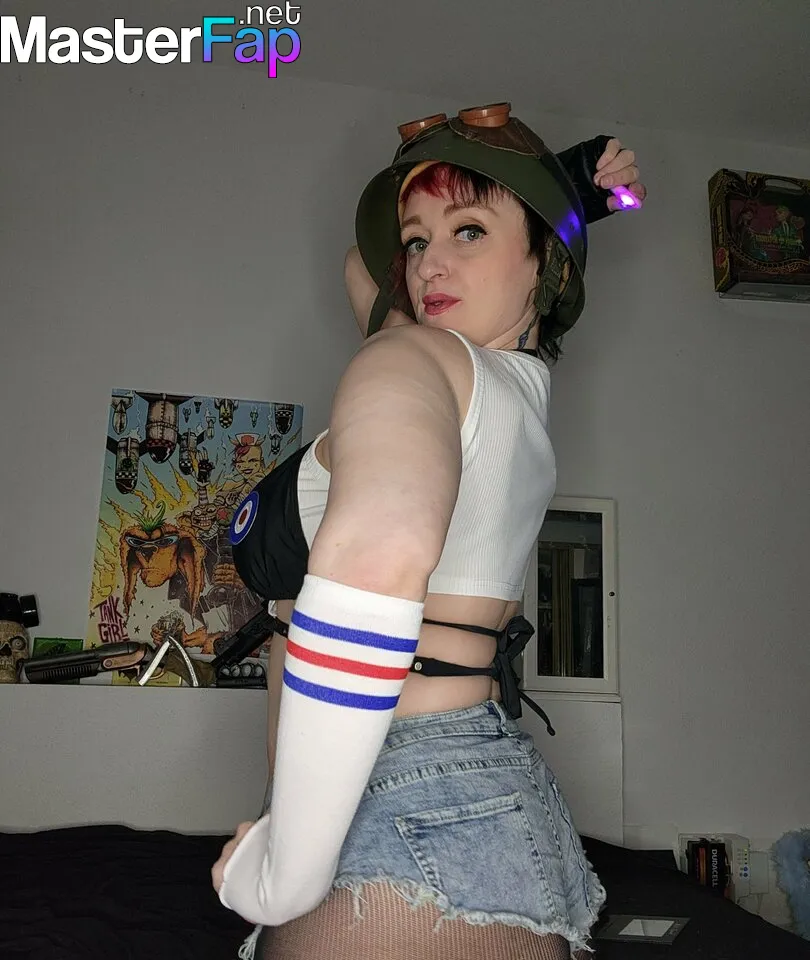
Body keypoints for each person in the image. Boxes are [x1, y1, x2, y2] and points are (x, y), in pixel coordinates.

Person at [213, 103, 645, 959]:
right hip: (474, 787)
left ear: (545, 261)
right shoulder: (499, 386)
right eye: (416, 241)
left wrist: (287, 871)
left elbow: (378, 557)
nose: (429, 263)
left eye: (470, 231)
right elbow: (360, 267)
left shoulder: (413, 362)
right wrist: (544, 191)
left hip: (394, 794)